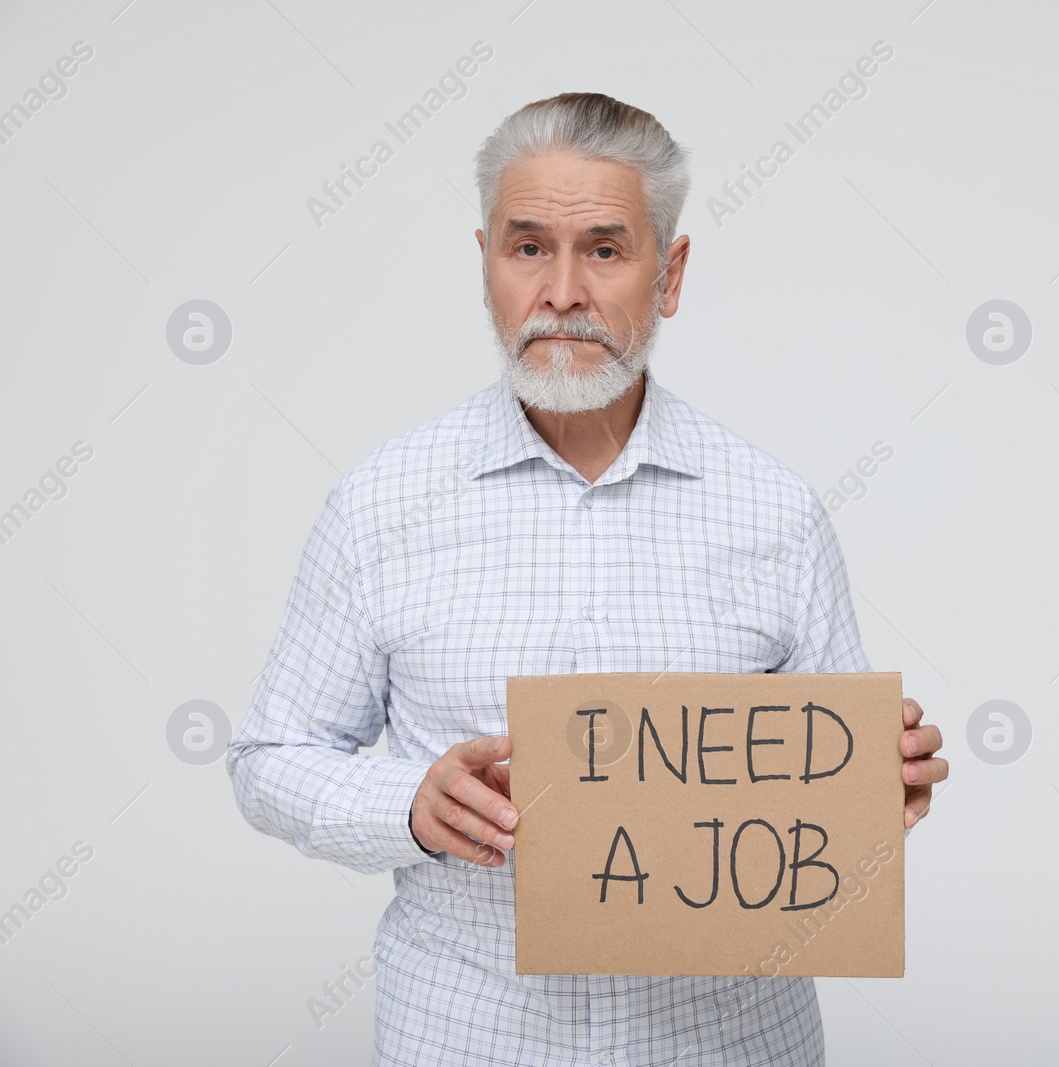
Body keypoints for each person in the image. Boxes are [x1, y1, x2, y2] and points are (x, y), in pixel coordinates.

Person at [226, 92, 948, 1066]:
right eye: (528, 248)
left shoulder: (775, 512)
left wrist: (873, 792)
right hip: (464, 1038)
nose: (562, 290)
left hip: (728, 1045)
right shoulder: (378, 505)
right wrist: (408, 805)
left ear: (671, 272)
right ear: (485, 264)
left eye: (605, 249)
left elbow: (830, 796)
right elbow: (270, 756)